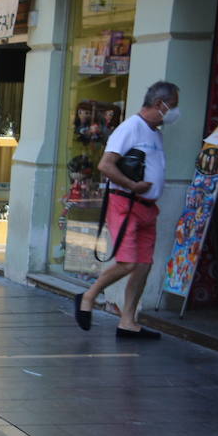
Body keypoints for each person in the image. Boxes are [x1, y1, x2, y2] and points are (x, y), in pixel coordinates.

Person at [75, 80, 179, 339]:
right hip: (126, 203)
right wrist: (133, 185)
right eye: (173, 106)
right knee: (128, 262)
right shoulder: (130, 128)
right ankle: (87, 296)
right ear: (159, 104)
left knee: (143, 265)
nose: (175, 112)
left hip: (147, 207)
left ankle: (128, 321)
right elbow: (106, 165)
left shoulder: (155, 132)